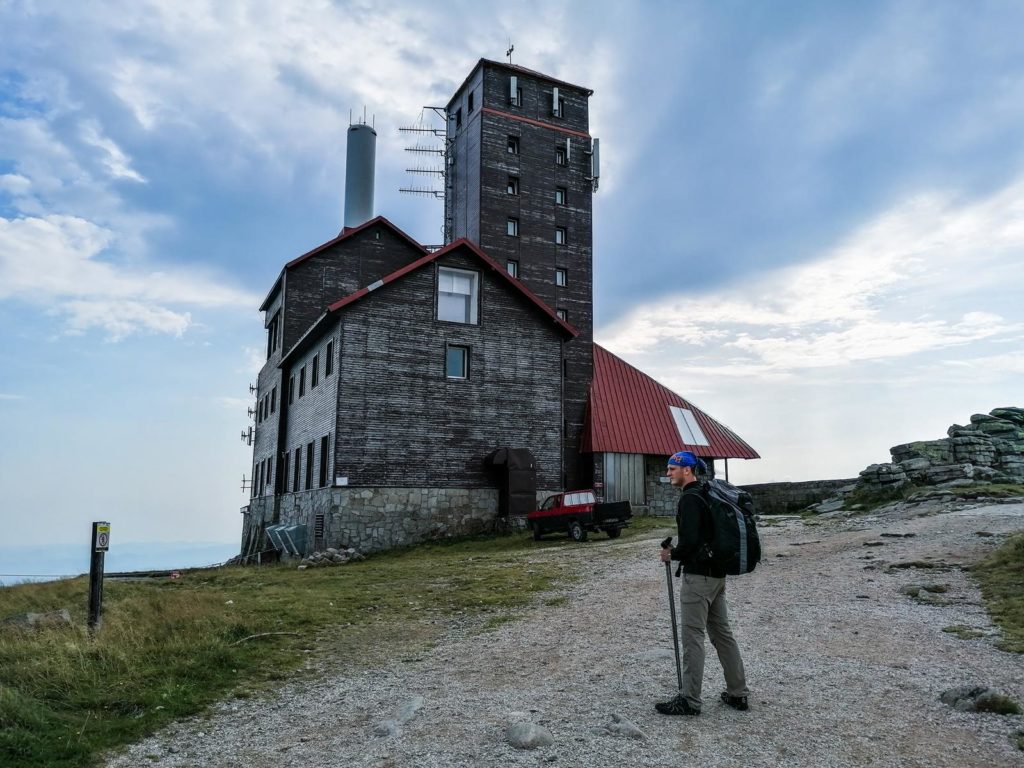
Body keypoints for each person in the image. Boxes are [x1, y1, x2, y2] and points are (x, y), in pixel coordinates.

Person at [656, 450, 750, 716]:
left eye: (672, 468)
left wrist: (671, 554)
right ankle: (738, 693)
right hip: (717, 575)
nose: (668, 473)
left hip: (698, 578)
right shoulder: (707, 493)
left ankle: (690, 700)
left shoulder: (690, 498)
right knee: (723, 635)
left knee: (693, 637)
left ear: (687, 470)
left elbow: (690, 543)